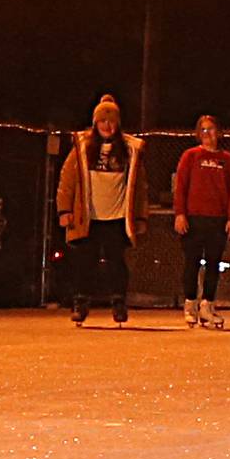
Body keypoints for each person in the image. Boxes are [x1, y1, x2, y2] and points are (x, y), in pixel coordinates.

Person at [55, 94, 149, 326]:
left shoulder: (128, 150)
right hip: (89, 216)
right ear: (95, 123)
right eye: (102, 121)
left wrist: (139, 216)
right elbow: (67, 180)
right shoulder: (82, 147)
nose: (107, 126)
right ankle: (80, 302)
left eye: (111, 121)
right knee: (84, 262)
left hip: (116, 217)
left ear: (117, 124)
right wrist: (64, 210)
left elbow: (139, 186)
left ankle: (118, 302)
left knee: (117, 262)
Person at [174, 114, 230, 329]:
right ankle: (190, 304)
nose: (208, 134)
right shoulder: (190, 156)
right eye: (203, 130)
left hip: (217, 220)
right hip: (194, 218)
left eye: (211, 129)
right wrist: (180, 214)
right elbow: (181, 186)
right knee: (191, 262)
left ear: (218, 132)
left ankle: (207, 305)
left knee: (213, 263)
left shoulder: (227, 159)